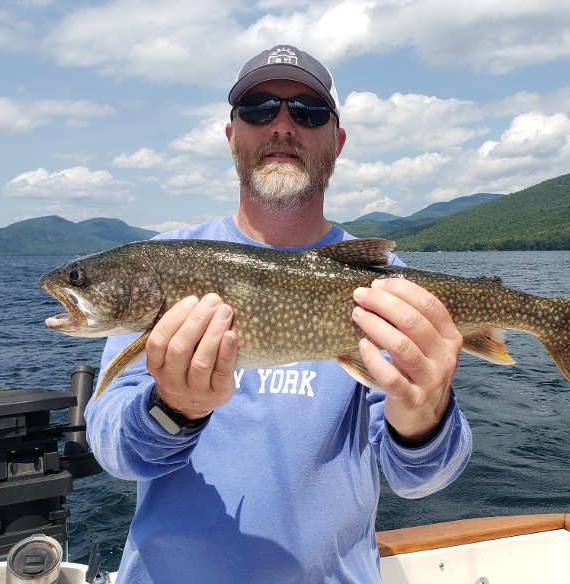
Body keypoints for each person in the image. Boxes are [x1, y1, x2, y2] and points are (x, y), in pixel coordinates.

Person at [85, 44, 472, 583]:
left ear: (336, 141)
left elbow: (423, 479)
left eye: (308, 112)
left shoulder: (389, 284)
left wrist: (423, 419)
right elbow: (110, 446)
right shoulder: (168, 256)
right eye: (259, 109)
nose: (282, 126)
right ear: (232, 135)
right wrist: (173, 409)